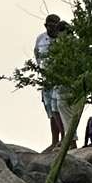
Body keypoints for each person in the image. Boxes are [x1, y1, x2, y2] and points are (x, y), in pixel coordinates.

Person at [33, 14, 71, 148]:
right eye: (49, 25)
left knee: (59, 108)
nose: (52, 28)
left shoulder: (63, 39)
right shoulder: (41, 39)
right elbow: (37, 55)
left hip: (60, 79)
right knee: (51, 110)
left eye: (55, 25)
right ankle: (55, 141)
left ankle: (65, 138)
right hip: (47, 79)